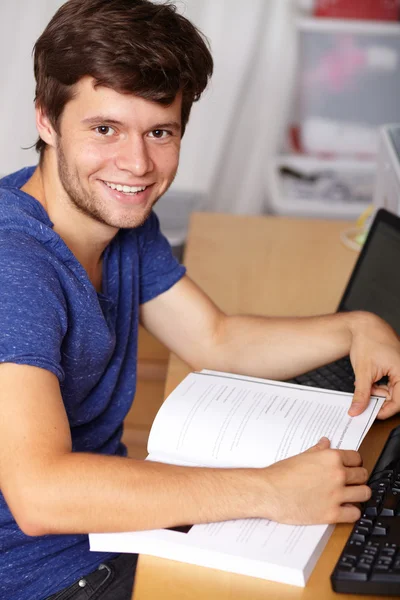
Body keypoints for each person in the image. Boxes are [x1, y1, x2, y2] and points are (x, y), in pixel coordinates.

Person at [1, 1, 400, 599]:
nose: (136, 165)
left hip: (114, 535)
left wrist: (354, 328)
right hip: (56, 577)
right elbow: (41, 495)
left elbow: (215, 338)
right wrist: (267, 490)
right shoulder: (17, 269)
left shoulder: (118, 218)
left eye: (159, 132)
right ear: (47, 121)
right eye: (104, 129)